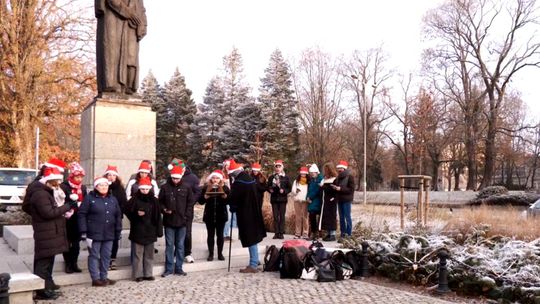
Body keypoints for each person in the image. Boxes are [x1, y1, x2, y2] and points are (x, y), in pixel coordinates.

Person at [26, 167, 74, 300]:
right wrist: (67, 206)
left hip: (49, 232)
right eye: (55, 183)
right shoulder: (41, 194)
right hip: (46, 233)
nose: (58, 185)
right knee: (43, 264)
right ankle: (41, 291)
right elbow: (48, 213)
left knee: (47, 262)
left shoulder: (45, 192)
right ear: (48, 182)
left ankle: (46, 287)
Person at [95, 0, 147, 95]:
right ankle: (111, 85)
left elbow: (141, 7)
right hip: (113, 17)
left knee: (131, 57)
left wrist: (144, 24)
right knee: (111, 52)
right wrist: (129, 13)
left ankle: (129, 87)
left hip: (133, 24)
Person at [78, 177, 122, 287]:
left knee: (106, 255)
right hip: (93, 233)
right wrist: (83, 230)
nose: (104, 187)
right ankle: (95, 279)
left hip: (109, 233)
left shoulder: (113, 199)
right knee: (94, 255)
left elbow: (118, 215)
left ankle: (104, 277)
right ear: (96, 187)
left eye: (106, 185)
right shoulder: (89, 198)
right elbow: (81, 214)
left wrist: (118, 229)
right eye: (101, 185)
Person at [227, 160, 266, 273]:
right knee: (253, 236)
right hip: (254, 211)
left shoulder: (239, 183)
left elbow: (234, 198)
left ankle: (253, 264)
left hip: (246, 213)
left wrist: (232, 206)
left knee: (250, 238)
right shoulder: (249, 179)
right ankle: (256, 260)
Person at [124, 176, 163, 282]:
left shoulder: (154, 200)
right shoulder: (134, 199)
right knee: (138, 254)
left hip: (151, 230)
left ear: (150, 188)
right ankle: (137, 275)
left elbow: (158, 216)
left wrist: (159, 230)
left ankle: (148, 273)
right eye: (142, 189)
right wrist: (136, 214)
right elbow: (127, 210)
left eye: (146, 189)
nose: (145, 191)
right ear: (139, 188)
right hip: (138, 230)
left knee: (149, 254)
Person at [158, 164, 193, 277]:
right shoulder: (165, 187)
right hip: (169, 221)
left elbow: (190, 203)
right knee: (169, 245)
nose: (175, 180)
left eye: (177, 178)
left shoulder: (186, 187)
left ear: (181, 177)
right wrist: (164, 210)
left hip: (182, 221)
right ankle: (168, 268)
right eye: (174, 178)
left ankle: (179, 267)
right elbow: (160, 202)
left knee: (180, 245)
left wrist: (186, 215)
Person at [168, 159, 201, 264]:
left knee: (187, 232)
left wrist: (190, 202)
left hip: (187, 210)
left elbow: (198, 191)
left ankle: (187, 253)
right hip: (174, 210)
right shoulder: (172, 177)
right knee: (175, 232)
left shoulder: (192, 178)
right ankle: (175, 253)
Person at [60, 162, 87, 274]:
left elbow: (85, 201)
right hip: (67, 218)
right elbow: (61, 201)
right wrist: (72, 203)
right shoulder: (64, 186)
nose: (79, 179)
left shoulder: (83, 188)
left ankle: (74, 263)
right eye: (77, 176)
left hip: (78, 218)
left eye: (81, 177)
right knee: (67, 243)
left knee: (76, 243)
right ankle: (68, 264)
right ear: (72, 176)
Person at [199, 170, 229, 261]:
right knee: (210, 235)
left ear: (220, 179)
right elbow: (200, 201)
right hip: (209, 215)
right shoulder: (206, 187)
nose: (215, 180)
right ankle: (211, 253)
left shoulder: (225, 188)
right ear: (211, 178)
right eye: (213, 177)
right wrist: (204, 197)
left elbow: (229, 200)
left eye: (217, 178)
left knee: (220, 235)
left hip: (221, 215)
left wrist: (225, 197)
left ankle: (220, 253)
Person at [103, 165, 128, 270]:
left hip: (116, 218)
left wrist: (118, 213)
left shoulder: (120, 188)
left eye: (113, 175)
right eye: (109, 175)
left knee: (115, 239)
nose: (111, 177)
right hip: (103, 218)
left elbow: (123, 203)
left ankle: (112, 259)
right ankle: (105, 259)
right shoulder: (103, 186)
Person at [267, 160, 291, 239]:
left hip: (282, 199)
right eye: (276, 166)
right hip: (274, 199)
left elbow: (289, 188)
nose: (277, 168)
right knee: (275, 216)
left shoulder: (286, 177)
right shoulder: (271, 177)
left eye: (279, 166)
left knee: (282, 216)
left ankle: (281, 232)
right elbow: (268, 186)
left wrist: (284, 191)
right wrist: (270, 189)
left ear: (282, 167)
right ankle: (276, 232)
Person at [333, 161, 355, 240]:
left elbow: (351, 189)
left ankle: (349, 234)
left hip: (346, 200)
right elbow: (335, 185)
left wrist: (340, 189)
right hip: (339, 200)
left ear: (344, 168)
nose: (339, 169)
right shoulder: (338, 177)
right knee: (341, 217)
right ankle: (343, 233)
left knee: (347, 216)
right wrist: (334, 187)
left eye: (340, 168)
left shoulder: (350, 177)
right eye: (338, 168)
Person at [320, 162, 338, 242]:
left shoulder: (335, 179)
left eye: (327, 169)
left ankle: (333, 234)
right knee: (326, 217)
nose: (325, 171)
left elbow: (335, 190)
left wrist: (334, 198)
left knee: (332, 217)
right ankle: (328, 233)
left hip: (332, 200)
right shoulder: (325, 179)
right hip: (326, 200)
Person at [291, 166, 310, 239]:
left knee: (305, 217)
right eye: (302, 174)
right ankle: (297, 233)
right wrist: (296, 191)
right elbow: (292, 191)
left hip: (305, 201)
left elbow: (309, 191)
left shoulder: (308, 182)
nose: (303, 175)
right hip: (297, 200)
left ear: (306, 174)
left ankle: (305, 233)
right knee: (298, 217)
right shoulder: (296, 181)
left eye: (304, 174)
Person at [307, 164, 323, 241]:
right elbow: (309, 189)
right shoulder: (312, 179)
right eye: (311, 173)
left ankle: (317, 233)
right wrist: (307, 197)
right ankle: (313, 233)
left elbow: (317, 190)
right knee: (312, 217)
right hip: (311, 201)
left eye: (313, 173)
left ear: (317, 172)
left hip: (317, 201)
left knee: (317, 217)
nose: (312, 174)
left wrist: (310, 197)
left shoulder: (320, 179)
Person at [222, 158, 237, 241]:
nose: (228, 167)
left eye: (229, 165)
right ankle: (224, 234)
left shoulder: (233, 175)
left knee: (233, 218)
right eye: (226, 165)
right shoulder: (222, 174)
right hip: (226, 198)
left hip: (233, 198)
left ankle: (228, 233)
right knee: (228, 217)